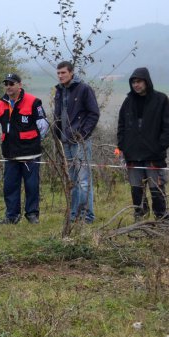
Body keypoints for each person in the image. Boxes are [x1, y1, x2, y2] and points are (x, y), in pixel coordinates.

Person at [117, 67, 169, 221]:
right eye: (133, 82)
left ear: (147, 81)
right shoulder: (128, 102)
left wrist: (159, 146)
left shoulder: (161, 100)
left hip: (153, 156)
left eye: (139, 81)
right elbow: (121, 126)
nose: (136, 85)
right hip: (132, 155)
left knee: (156, 189)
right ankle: (140, 219)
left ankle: (162, 218)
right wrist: (123, 146)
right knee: (136, 191)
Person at [0, 73, 48, 224]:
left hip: (30, 153)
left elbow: (43, 125)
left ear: (20, 85)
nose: (8, 87)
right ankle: (11, 216)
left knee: (31, 186)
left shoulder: (33, 102)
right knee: (10, 186)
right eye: (6, 84)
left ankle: (32, 214)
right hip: (10, 152)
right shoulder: (0, 103)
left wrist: (33, 142)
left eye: (11, 83)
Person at [53, 61, 100, 223]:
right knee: (72, 181)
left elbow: (94, 113)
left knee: (83, 180)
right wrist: (58, 133)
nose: (60, 76)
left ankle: (87, 215)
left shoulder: (84, 89)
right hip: (65, 141)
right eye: (58, 73)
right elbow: (58, 115)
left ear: (71, 73)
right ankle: (74, 215)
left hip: (80, 141)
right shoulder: (59, 91)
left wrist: (83, 134)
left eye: (63, 73)